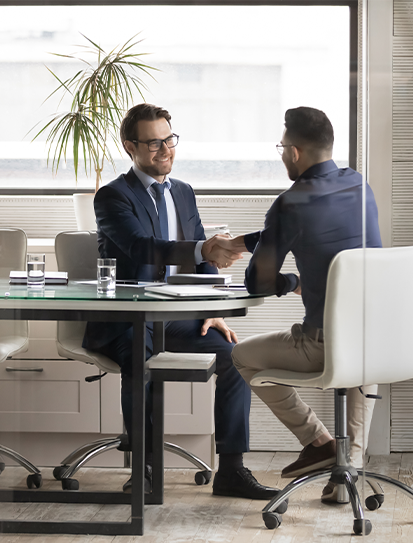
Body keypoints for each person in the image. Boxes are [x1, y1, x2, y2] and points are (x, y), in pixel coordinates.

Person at [82, 103, 280, 500]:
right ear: (129, 147)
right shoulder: (112, 197)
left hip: (175, 318)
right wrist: (204, 248)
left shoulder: (184, 193)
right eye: (153, 143)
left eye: (169, 140)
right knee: (141, 356)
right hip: (128, 318)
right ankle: (145, 468)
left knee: (235, 357)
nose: (165, 150)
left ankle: (232, 470)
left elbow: (202, 259)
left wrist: (214, 310)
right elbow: (142, 248)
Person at [220, 106, 382, 502]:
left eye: (281, 147)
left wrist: (294, 282)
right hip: (381, 341)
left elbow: (257, 282)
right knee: (362, 353)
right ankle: (349, 473)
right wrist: (244, 241)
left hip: (324, 345)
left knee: (240, 355)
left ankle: (318, 441)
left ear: (293, 152)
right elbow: (313, 227)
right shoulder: (359, 185)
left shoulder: (291, 202)